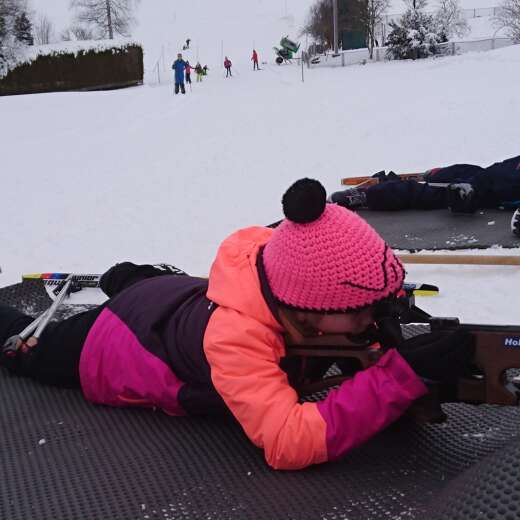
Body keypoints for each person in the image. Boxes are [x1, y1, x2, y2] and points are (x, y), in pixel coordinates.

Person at [0, 179, 474, 470]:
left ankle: (125, 277)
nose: (371, 318)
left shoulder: (280, 263)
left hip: (175, 295)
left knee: (146, 283)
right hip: (114, 341)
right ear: (306, 307)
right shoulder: (236, 341)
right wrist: (395, 379)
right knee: (25, 345)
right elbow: (287, 443)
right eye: (361, 309)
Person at [329, 155, 520, 214]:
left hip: (481, 195)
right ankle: (437, 175)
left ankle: (367, 195)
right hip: (483, 176)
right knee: (457, 170)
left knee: (420, 193)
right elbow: (501, 167)